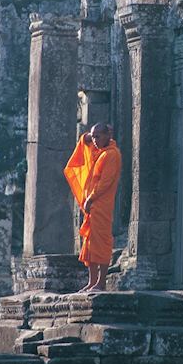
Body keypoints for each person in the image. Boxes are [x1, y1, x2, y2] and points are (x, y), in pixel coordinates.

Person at [64, 122, 121, 292]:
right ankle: (92, 281)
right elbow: (84, 141)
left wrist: (90, 198)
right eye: (93, 136)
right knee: (89, 243)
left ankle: (101, 283)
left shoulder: (112, 155)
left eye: (98, 136)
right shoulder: (99, 152)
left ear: (108, 136)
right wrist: (91, 134)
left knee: (101, 242)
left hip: (101, 204)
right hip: (92, 206)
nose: (95, 140)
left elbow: (105, 182)